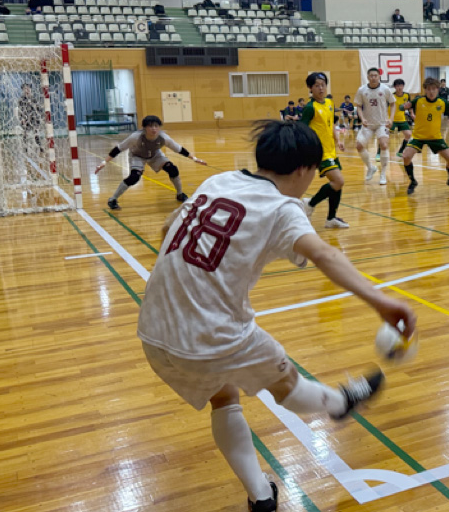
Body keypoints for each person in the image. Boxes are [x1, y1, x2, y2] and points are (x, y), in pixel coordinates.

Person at [138, 119, 415, 512]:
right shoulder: (284, 207)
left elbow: (168, 225)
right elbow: (324, 254)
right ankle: (338, 403)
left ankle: (262, 497)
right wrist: (382, 302)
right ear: (303, 170)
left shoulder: (219, 181)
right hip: (211, 335)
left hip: (153, 329)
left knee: (224, 393)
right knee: (286, 384)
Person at [95, 115, 206, 209]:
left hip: (154, 155)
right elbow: (118, 149)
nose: (154, 129)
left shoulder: (163, 138)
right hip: (137, 156)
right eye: (150, 126)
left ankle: (180, 194)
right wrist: (104, 162)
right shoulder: (135, 137)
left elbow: (179, 149)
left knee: (172, 169)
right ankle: (113, 199)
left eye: (156, 126)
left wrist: (195, 159)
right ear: (144, 128)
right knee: (134, 177)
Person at [300, 72, 349, 229]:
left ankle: (331, 219)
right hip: (319, 152)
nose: (321, 88)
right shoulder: (310, 107)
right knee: (338, 181)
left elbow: (331, 124)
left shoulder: (329, 103)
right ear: (310, 88)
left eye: (323, 85)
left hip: (331, 150)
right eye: (317, 85)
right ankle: (311, 203)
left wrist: (338, 140)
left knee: (336, 184)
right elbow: (301, 129)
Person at [401, 77, 449, 195]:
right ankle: (413, 181)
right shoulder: (418, 101)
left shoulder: (442, 102)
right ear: (425, 90)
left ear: (438, 89)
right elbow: (404, 106)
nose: (431, 92)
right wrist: (404, 106)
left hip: (435, 137)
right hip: (418, 137)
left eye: (434, 89)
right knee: (406, 157)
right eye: (429, 89)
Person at [354, 67, 396, 185]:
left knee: (383, 145)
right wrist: (362, 119)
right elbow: (358, 105)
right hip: (368, 123)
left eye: (375, 75)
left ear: (379, 77)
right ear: (368, 77)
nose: (373, 77)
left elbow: (393, 104)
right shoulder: (362, 90)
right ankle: (371, 167)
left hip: (382, 123)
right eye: (371, 75)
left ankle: (382, 174)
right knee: (359, 146)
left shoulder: (385, 89)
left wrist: (391, 119)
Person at [391, 79, 414, 159]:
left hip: (402, 119)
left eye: (401, 85)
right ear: (394, 87)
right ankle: (379, 153)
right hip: (392, 119)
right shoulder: (391, 96)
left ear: (403, 86)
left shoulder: (407, 95)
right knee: (384, 136)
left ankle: (400, 152)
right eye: (397, 86)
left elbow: (410, 106)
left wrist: (412, 114)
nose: (399, 87)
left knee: (408, 134)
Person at [18, 83, 43, 154]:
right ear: (23, 90)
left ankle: (40, 146)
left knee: (36, 133)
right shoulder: (21, 100)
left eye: (28, 88)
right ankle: (25, 148)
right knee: (25, 134)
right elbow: (20, 110)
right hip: (26, 119)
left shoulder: (33, 98)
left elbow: (38, 108)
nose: (27, 90)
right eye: (25, 88)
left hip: (34, 118)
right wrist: (22, 119)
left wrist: (39, 117)